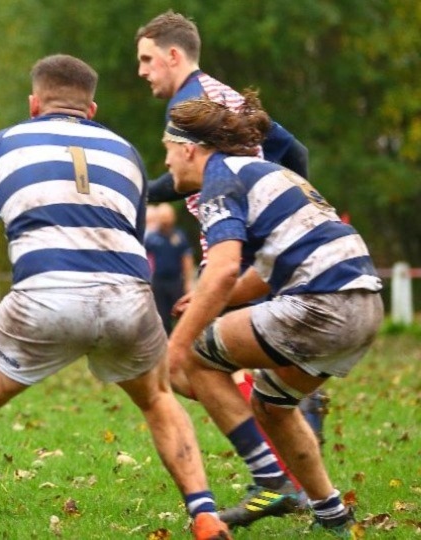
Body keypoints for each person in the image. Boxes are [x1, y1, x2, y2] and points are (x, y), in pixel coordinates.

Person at [0, 54, 231, 540]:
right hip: (129, 299)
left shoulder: (2, 145)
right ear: (91, 109)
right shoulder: (126, 152)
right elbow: (132, 242)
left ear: (34, 104)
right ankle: (203, 512)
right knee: (158, 398)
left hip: (45, 298)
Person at [136, 10, 327, 527]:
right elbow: (294, 151)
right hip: (248, 249)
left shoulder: (192, 104)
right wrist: (292, 214)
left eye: (147, 60)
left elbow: (185, 182)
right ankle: (285, 475)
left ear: (174, 56)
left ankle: (281, 479)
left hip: (239, 252)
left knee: (194, 361)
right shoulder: (217, 94)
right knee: (238, 366)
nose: (142, 71)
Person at [162, 91, 382, 536]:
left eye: (166, 153)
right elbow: (262, 276)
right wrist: (216, 301)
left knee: (193, 358)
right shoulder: (266, 173)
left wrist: (179, 341)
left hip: (321, 303)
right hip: (365, 304)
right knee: (272, 404)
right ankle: (331, 513)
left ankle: (270, 477)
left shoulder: (219, 179)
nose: (166, 165)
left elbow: (223, 268)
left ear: (188, 148)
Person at [145, 203, 195, 333]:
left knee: (183, 314)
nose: (166, 221)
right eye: (163, 218)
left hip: (176, 281)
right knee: (162, 317)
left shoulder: (180, 236)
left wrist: (189, 281)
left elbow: (186, 259)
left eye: (168, 217)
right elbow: (146, 260)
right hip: (158, 282)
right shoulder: (151, 238)